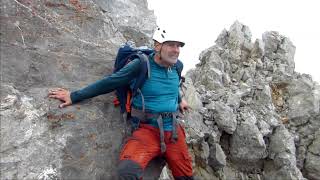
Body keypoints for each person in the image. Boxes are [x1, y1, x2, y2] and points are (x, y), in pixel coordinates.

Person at [48, 27, 194, 180]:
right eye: (171, 45)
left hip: (174, 132)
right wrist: (74, 96)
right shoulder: (141, 65)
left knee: (186, 177)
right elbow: (110, 82)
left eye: (179, 46)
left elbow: (174, 84)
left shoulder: (178, 66)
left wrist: (179, 99)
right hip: (147, 130)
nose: (176, 50)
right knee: (127, 173)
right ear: (158, 46)